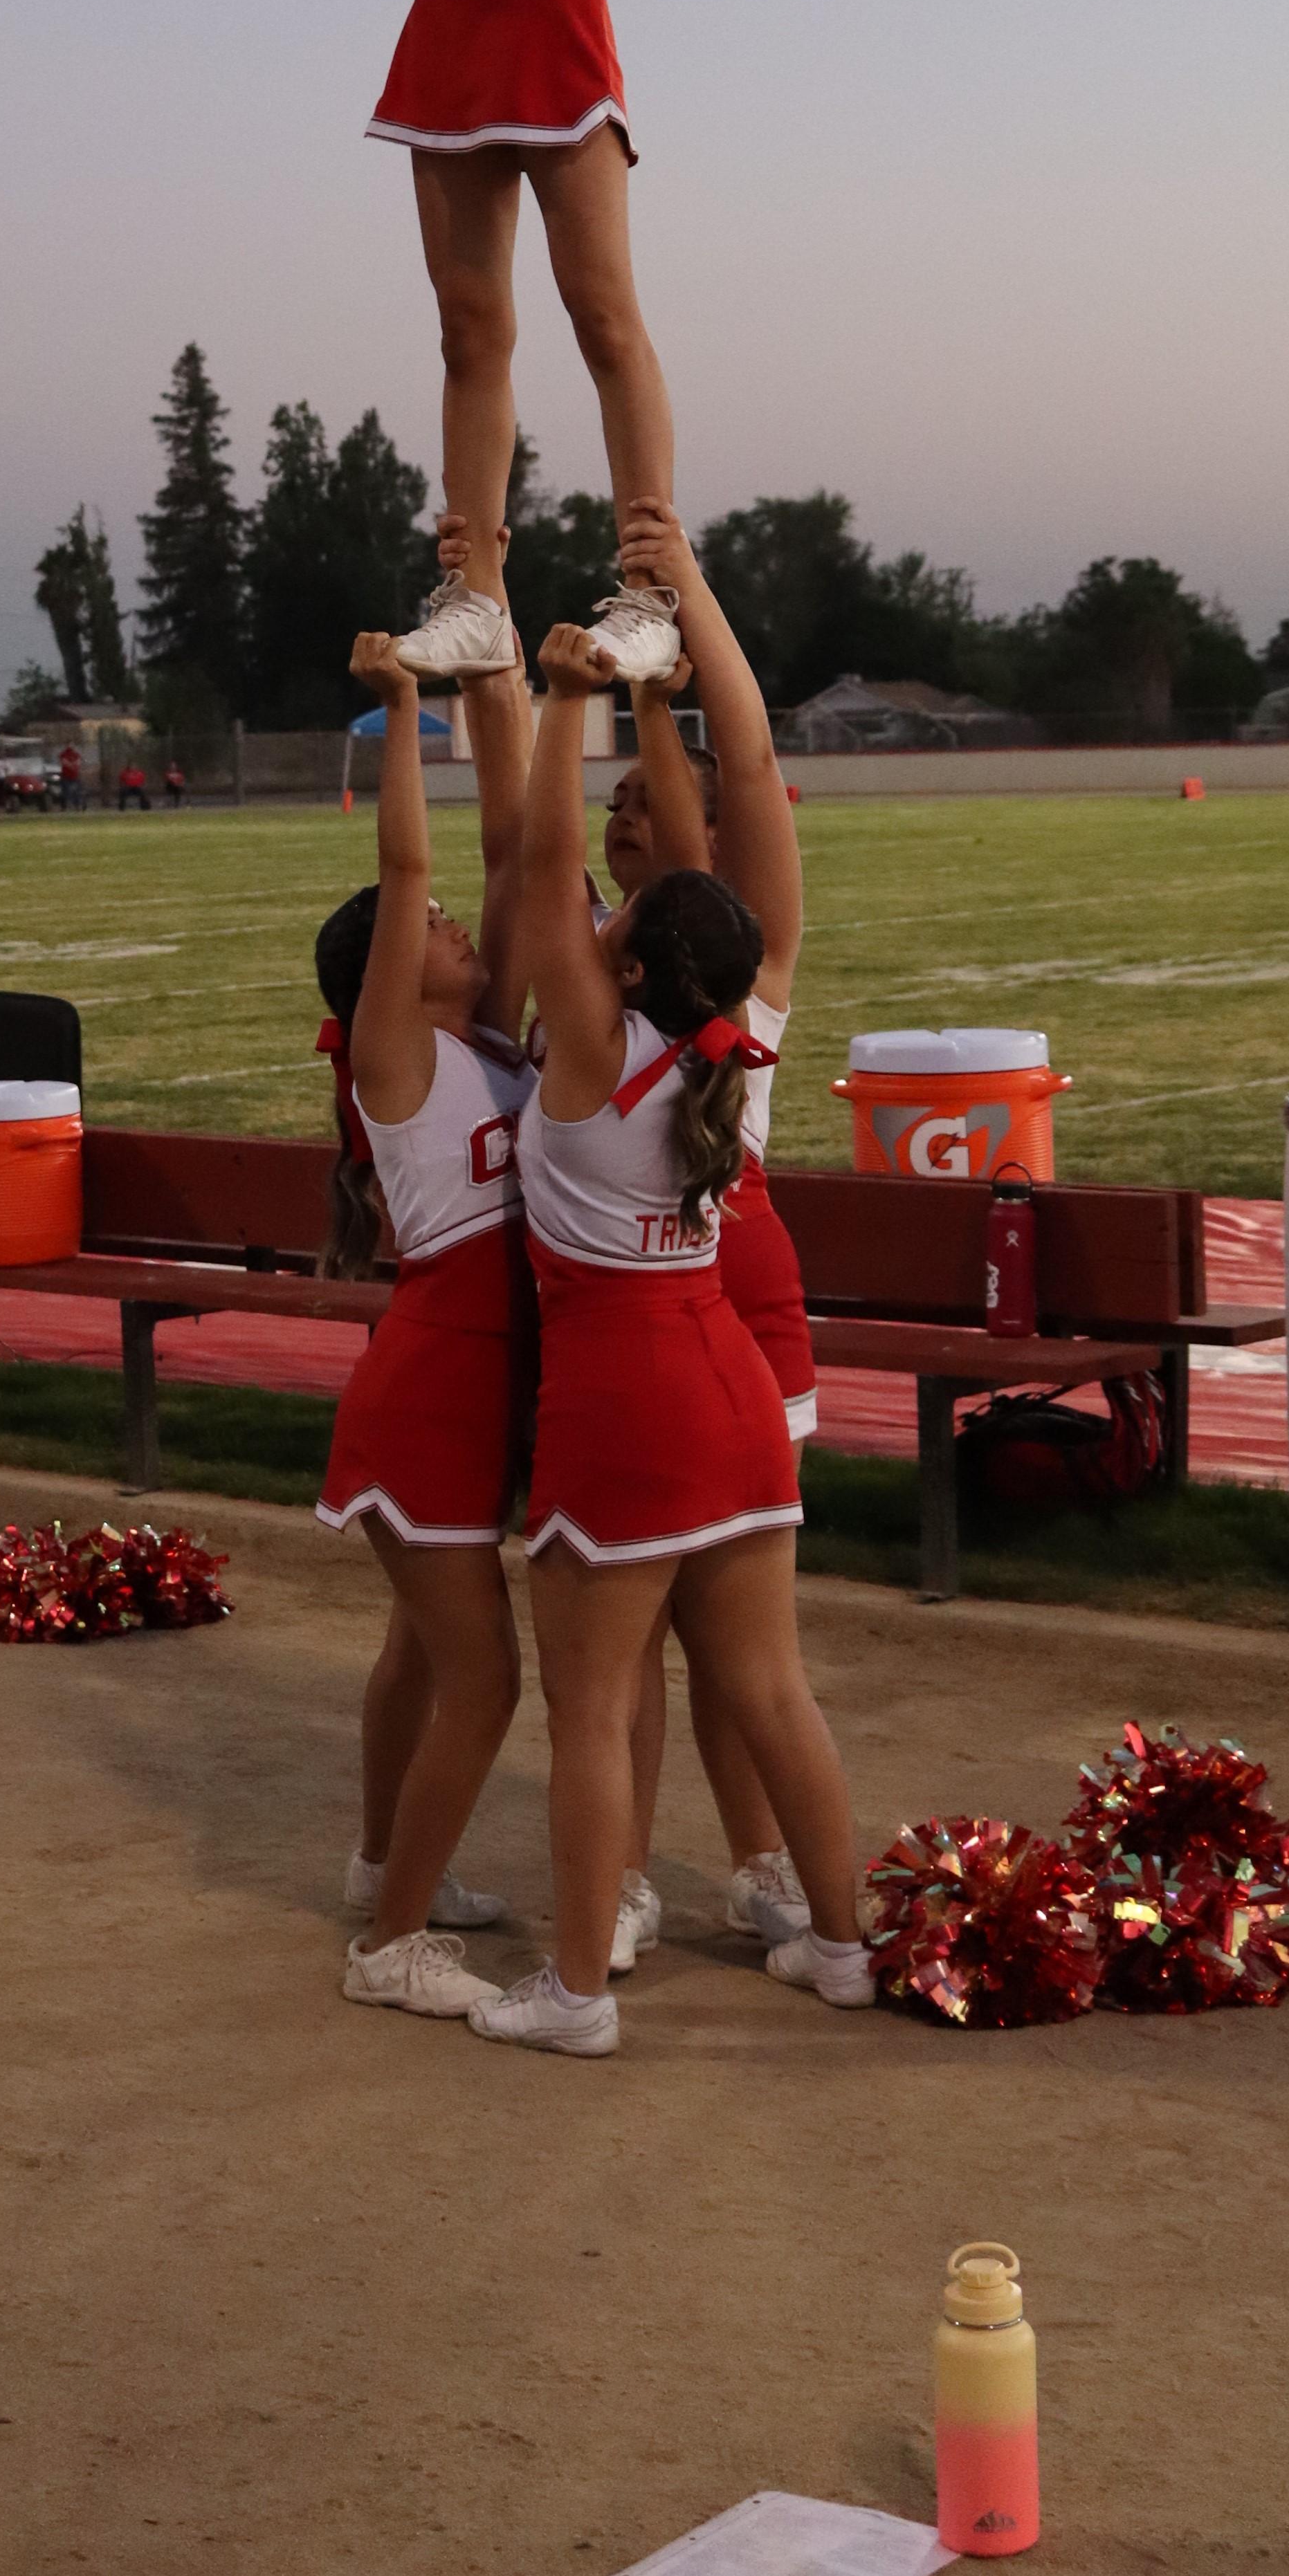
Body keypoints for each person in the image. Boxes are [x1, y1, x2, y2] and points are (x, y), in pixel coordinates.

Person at [471, 624, 871, 2059]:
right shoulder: (738, 1036)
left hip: (622, 1395)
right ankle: (839, 1945)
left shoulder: (592, 1041)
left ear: (632, 958)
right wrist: (623, 693)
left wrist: (563, 698)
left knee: (589, 1709)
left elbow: (527, 864)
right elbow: (647, 875)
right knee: (769, 1684)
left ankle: (574, 1993)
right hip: (733, 1386)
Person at [331, 0, 682, 692]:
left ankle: (650, 587)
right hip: (453, 4)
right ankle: (478, 593)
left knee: (600, 310)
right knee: (469, 326)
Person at [603, 502, 824, 1958]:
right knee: (623, 1639)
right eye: (605, 804)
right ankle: (612, 1879)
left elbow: (735, 779)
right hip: (619, 1323)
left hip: (741, 1315)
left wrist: (664, 639)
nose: (617, 814)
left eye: (635, 800)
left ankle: (762, 1865)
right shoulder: (575, 969)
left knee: (728, 1641)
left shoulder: (738, 967)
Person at [315, 633, 536, 2020]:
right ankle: (390, 1948)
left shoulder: (486, 1043)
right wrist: (404, 712)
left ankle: (381, 1863)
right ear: (388, 978)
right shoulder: (397, 1061)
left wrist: (491, 676)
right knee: (485, 1677)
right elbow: (409, 872)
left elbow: (513, 863)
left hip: (468, 1380)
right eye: (428, 930)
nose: (449, 924)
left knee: (415, 1648)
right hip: (434, 1385)